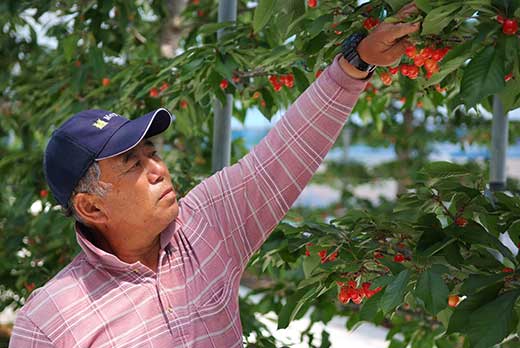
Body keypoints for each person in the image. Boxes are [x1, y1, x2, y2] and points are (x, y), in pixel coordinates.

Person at [9, 5, 420, 347]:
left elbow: (283, 155)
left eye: (152, 153)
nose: (158, 170)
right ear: (91, 206)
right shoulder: (49, 323)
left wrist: (356, 61)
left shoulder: (206, 226)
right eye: (133, 164)